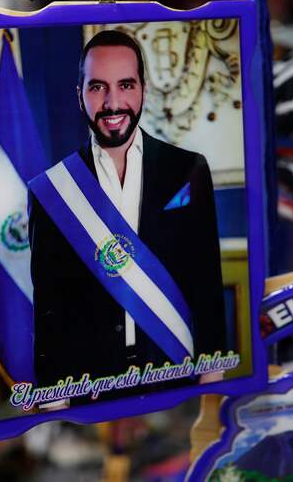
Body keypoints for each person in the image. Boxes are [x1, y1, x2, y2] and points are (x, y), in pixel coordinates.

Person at [27, 30, 227, 402]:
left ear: (143, 91)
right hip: (92, 385)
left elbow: (207, 283)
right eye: (98, 87)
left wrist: (213, 369)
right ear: (80, 96)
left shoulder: (188, 170)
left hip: (174, 369)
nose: (113, 102)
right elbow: (50, 305)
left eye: (126, 85)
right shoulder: (50, 191)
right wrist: (54, 397)